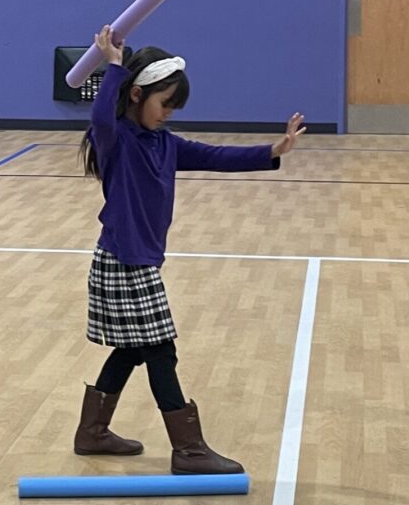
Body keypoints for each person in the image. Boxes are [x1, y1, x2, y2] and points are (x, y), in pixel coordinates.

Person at [76, 31, 306, 474]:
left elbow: (215, 155)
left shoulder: (166, 144)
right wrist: (114, 67)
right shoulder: (117, 141)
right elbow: (102, 117)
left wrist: (273, 150)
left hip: (137, 262)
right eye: (164, 104)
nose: (168, 114)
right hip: (123, 261)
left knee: (131, 349)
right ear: (138, 94)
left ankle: (92, 432)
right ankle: (189, 450)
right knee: (160, 350)